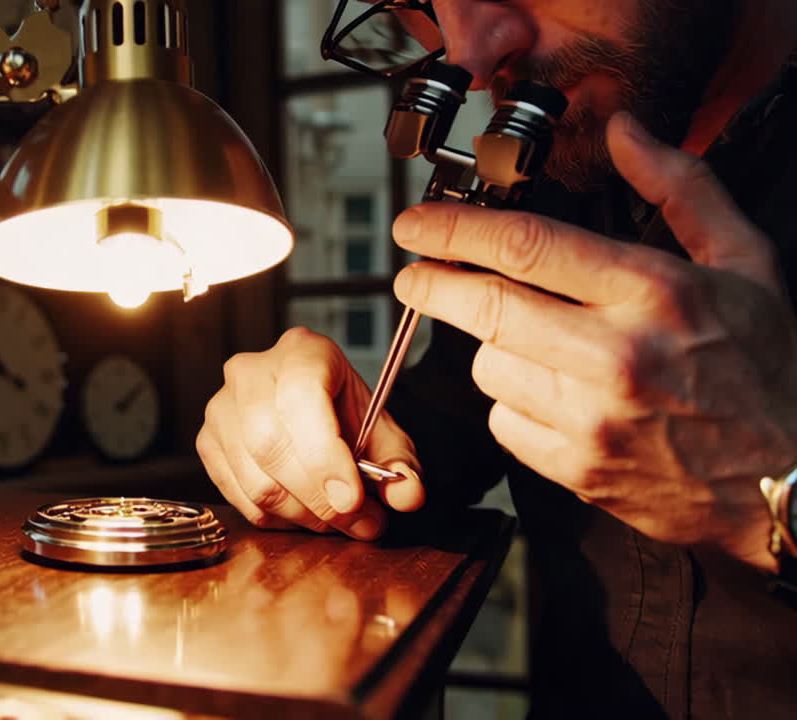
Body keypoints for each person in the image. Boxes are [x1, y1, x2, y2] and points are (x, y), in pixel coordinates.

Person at [195, 1, 797, 716]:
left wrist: (774, 485)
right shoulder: (552, 184)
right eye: (417, 2)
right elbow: (437, 444)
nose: (471, 57)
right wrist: (304, 436)